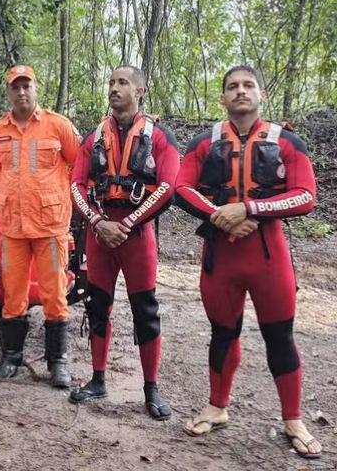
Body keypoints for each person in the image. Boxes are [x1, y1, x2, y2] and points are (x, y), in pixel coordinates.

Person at [175, 65, 321, 459]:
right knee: (223, 334)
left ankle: (293, 418)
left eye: (248, 85)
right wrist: (221, 215)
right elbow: (181, 188)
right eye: (232, 87)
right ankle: (217, 407)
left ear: (262, 94)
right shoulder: (203, 142)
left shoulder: (288, 141)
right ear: (222, 98)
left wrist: (249, 207)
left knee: (281, 337)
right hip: (220, 257)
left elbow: (305, 196)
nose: (240, 92)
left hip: (269, 258)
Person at [69, 65, 178, 420]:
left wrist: (128, 222)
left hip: (137, 235)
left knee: (145, 312)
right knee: (97, 306)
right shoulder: (93, 137)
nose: (114, 88)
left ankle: (151, 388)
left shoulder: (160, 137)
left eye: (122, 83)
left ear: (140, 91)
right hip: (100, 234)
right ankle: (98, 379)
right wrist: (98, 222)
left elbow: (168, 186)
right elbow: (76, 184)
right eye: (111, 82)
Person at [0, 65, 80, 388]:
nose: (21, 92)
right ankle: (11, 358)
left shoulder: (58, 126)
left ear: (35, 89)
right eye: (15, 87)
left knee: (55, 295)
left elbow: (77, 167)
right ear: (8, 92)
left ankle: (58, 364)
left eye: (27, 86)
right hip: (12, 227)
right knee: (13, 294)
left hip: (50, 227)